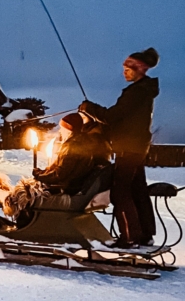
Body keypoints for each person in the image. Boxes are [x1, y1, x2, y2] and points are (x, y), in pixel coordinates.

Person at [79, 48, 160, 246]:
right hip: (137, 147)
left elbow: (112, 117)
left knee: (120, 192)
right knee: (137, 189)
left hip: (129, 148)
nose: (125, 72)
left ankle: (129, 237)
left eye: (129, 69)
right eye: (124, 68)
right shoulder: (143, 91)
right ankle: (145, 235)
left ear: (140, 70)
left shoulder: (137, 92)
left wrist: (89, 108)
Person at [33, 112, 112, 195]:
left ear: (69, 130)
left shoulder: (72, 147)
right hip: (72, 184)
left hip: (68, 188)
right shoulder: (79, 143)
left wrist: (39, 177)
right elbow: (60, 169)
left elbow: (60, 174)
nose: (60, 131)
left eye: (62, 128)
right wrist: (43, 172)